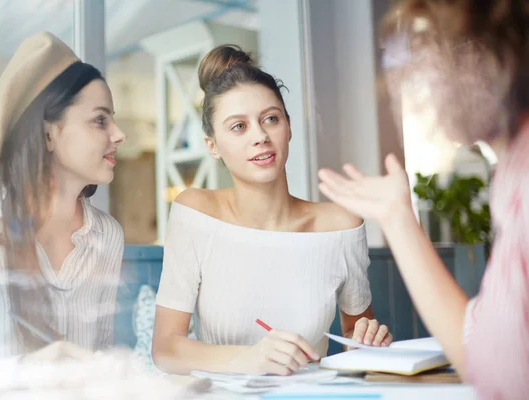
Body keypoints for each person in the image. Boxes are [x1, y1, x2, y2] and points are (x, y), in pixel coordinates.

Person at [318, 1, 529, 399]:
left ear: (488, 52)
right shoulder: (513, 169)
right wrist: (397, 218)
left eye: (429, 48)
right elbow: (482, 349)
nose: (413, 78)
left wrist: (397, 219)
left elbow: (501, 371)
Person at [152, 45, 392, 376]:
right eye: (239, 127)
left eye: (271, 119)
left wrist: (368, 342)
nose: (261, 136)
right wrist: (249, 359)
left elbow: (354, 336)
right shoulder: (194, 212)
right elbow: (165, 348)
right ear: (213, 146)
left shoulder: (341, 225)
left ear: (288, 127)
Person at [0, 31, 126, 361]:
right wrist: (29, 370)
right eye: (100, 120)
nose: (119, 134)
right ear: (49, 132)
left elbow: (102, 354)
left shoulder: (108, 236)